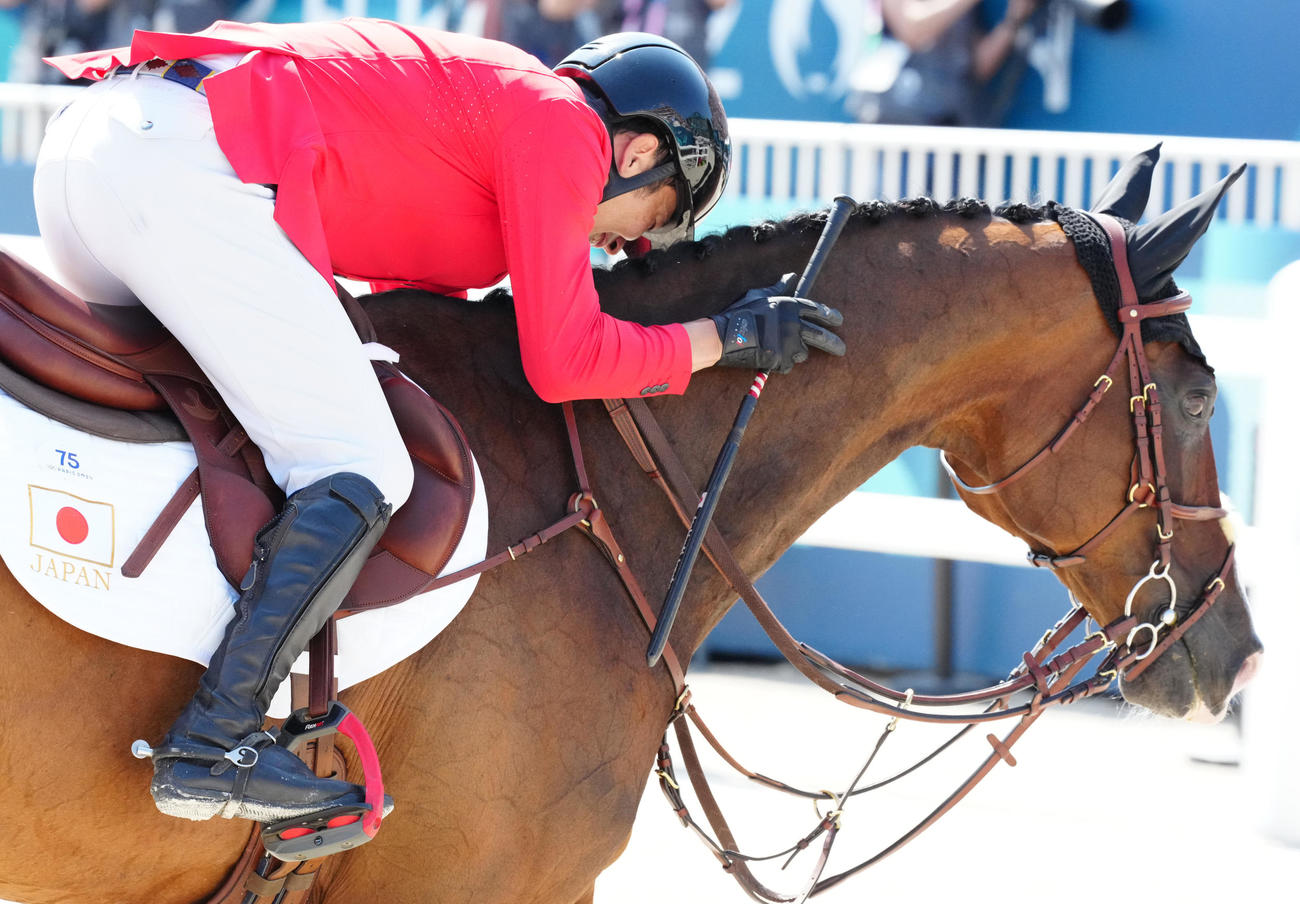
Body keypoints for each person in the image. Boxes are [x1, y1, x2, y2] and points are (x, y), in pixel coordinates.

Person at [36, 21, 844, 826]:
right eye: (652, 215)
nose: (626, 243)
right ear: (635, 153)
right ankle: (216, 740)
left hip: (103, 154)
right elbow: (563, 361)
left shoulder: (501, 128)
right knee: (360, 464)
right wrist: (724, 339)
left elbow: (418, 322)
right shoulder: (562, 120)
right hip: (170, 168)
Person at [851, 0, 1040, 126]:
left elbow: (977, 66)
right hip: (896, 122)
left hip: (951, 124)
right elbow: (912, 30)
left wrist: (1015, 18)